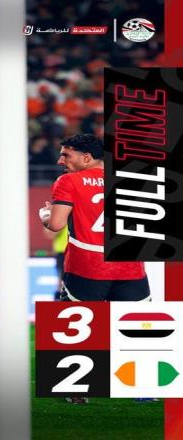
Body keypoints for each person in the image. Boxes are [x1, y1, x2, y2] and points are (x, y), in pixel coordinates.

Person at [39, 133, 150, 404]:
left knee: (76, 327)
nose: (60, 161)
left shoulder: (68, 181)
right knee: (138, 325)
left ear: (86, 158)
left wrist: (45, 216)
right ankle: (145, 388)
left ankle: (76, 389)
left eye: (66, 155)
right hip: (130, 266)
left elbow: (56, 225)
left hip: (87, 265)